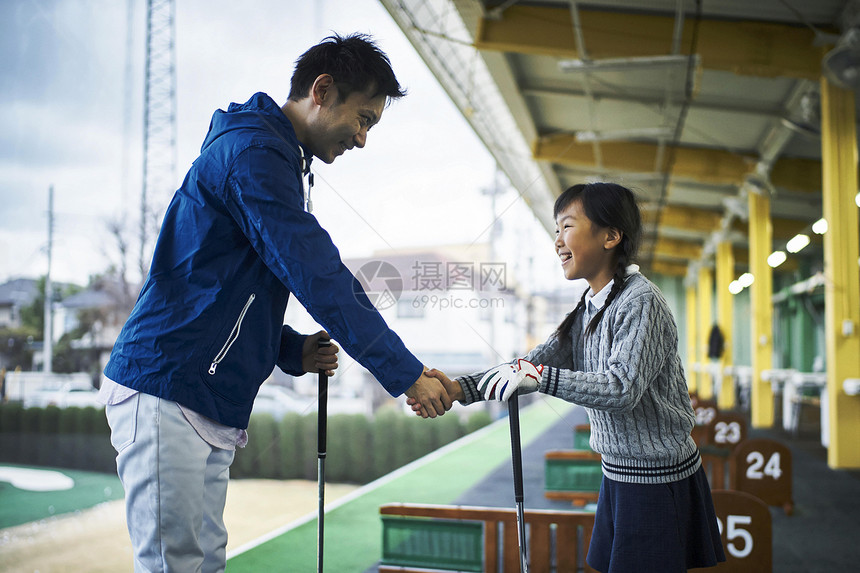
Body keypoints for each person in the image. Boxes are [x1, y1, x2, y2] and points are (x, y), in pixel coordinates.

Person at [99, 33, 452, 573]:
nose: (362, 139)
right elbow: (318, 275)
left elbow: (223, 288)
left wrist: (291, 349)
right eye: (363, 119)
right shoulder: (254, 155)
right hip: (166, 386)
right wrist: (403, 373)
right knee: (177, 566)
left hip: (202, 397)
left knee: (202, 563)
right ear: (323, 89)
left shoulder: (275, 158)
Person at [419, 182, 725, 572]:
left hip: (657, 482)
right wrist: (461, 388)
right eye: (557, 229)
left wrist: (541, 378)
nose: (557, 241)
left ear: (611, 236)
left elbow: (621, 388)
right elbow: (535, 361)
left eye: (567, 227)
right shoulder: (592, 304)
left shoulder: (640, 301)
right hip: (620, 475)